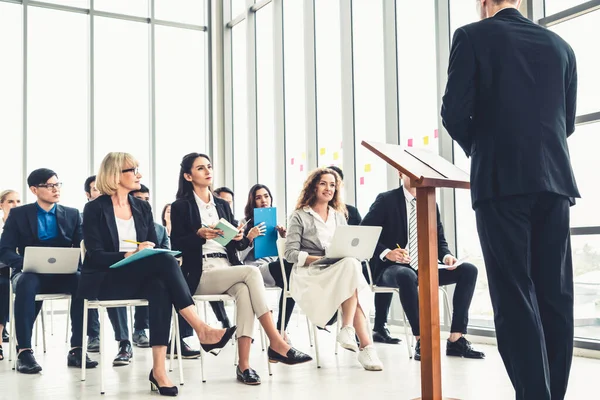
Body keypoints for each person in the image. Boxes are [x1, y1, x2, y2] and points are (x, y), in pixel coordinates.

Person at [441, 2, 579, 399]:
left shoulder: (470, 36)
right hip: (555, 183)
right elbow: (566, 122)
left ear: (483, 3)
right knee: (555, 296)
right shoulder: (560, 45)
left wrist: (484, 149)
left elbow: (453, 113)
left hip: (501, 183)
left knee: (514, 293)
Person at [80, 152, 236, 396]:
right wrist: (128, 255)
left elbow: (151, 243)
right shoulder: (94, 209)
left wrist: (145, 251)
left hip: (138, 277)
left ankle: (159, 371)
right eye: (133, 170)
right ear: (115, 175)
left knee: (161, 285)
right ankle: (201, 329)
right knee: (164, 260)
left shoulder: (142, 207)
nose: (138, 174)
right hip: (107, 279)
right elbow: (95, 255)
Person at [170, 152, 312, 385]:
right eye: (200, 169)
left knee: (245, 292)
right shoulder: (181, 206)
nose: (208, 171)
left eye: (209, 167)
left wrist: (239, 237)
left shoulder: (222, 205)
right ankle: (276, 340)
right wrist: (198, 235)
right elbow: (176, 243)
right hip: (201, 272)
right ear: (188, 176)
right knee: (251, 272)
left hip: (227, 266)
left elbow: (237, 246)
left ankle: (244, 366)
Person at [361, 173, 485, 360]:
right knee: (406, 275)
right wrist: (387, 252)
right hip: (391, 268)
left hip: (423, 266)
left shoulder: (429, 203)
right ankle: (422, 339)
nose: (414, 175)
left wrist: (447, 255)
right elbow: (365, 233)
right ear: (400, 174)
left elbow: (439, 239)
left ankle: (456, 339)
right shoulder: (386, 200)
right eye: (408, 171)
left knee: (468, 270)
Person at [285, 167, 383, 371]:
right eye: (323, 183)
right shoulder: (299, 216)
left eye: (332, 185)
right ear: (313, 186)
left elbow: (345, 245)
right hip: (311, 271)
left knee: (351, 265)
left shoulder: (339, 215)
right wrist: (320, 258)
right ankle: (364, 346)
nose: (328, 188)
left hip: (339, 268)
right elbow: (290, 254)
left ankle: (353, 333)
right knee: (351, 270)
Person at [0, 169, 98, 373]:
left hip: (63, 274)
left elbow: (81, 248)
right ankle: (24, 352)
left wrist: (77, 262)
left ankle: (77, 349)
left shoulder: (72, 214)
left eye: (57, 184)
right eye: (49, 185)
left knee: (82, 280)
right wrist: (23, 262)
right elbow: (5, 249)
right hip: (30, 273)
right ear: (34, 190)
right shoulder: (19, 214)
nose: (55, 189)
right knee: (26, 281)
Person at [84, 175, 131, 363]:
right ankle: (94, 335)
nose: (100, 192)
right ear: (88, 194)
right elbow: (94, 253)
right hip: (98, 267)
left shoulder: (129, 212)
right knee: (98, 280)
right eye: (95, 189)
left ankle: (138, 332)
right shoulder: (89, 214)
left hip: (126, 265)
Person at [238, 184, 294, 342]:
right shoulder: (243, 223)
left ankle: (281, 328)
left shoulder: (275, 221)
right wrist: (249, 237)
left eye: (266, 196)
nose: (263, 200)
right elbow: (237, 257)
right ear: (252, 201)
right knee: (289, 269)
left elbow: (286, 253)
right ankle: (278, 331)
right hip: (254, 271)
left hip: (274, 268)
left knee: (293, 281)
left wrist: (284, 237)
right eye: (258, 197)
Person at [129, 184, 170, 348]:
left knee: (163, 280)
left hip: (154, 267)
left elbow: (166, 250)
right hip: (128, 267)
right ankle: (139, 330)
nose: (144, 203)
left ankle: (177, 337)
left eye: (147, 199)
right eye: (139, 199)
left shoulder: (159, 229)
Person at [0, 189, 22, 357]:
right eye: (10, 201)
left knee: (4, 286)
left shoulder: (23, 225)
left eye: (18, 201)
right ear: (1, 205)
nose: (15, 205)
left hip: (14, 270)